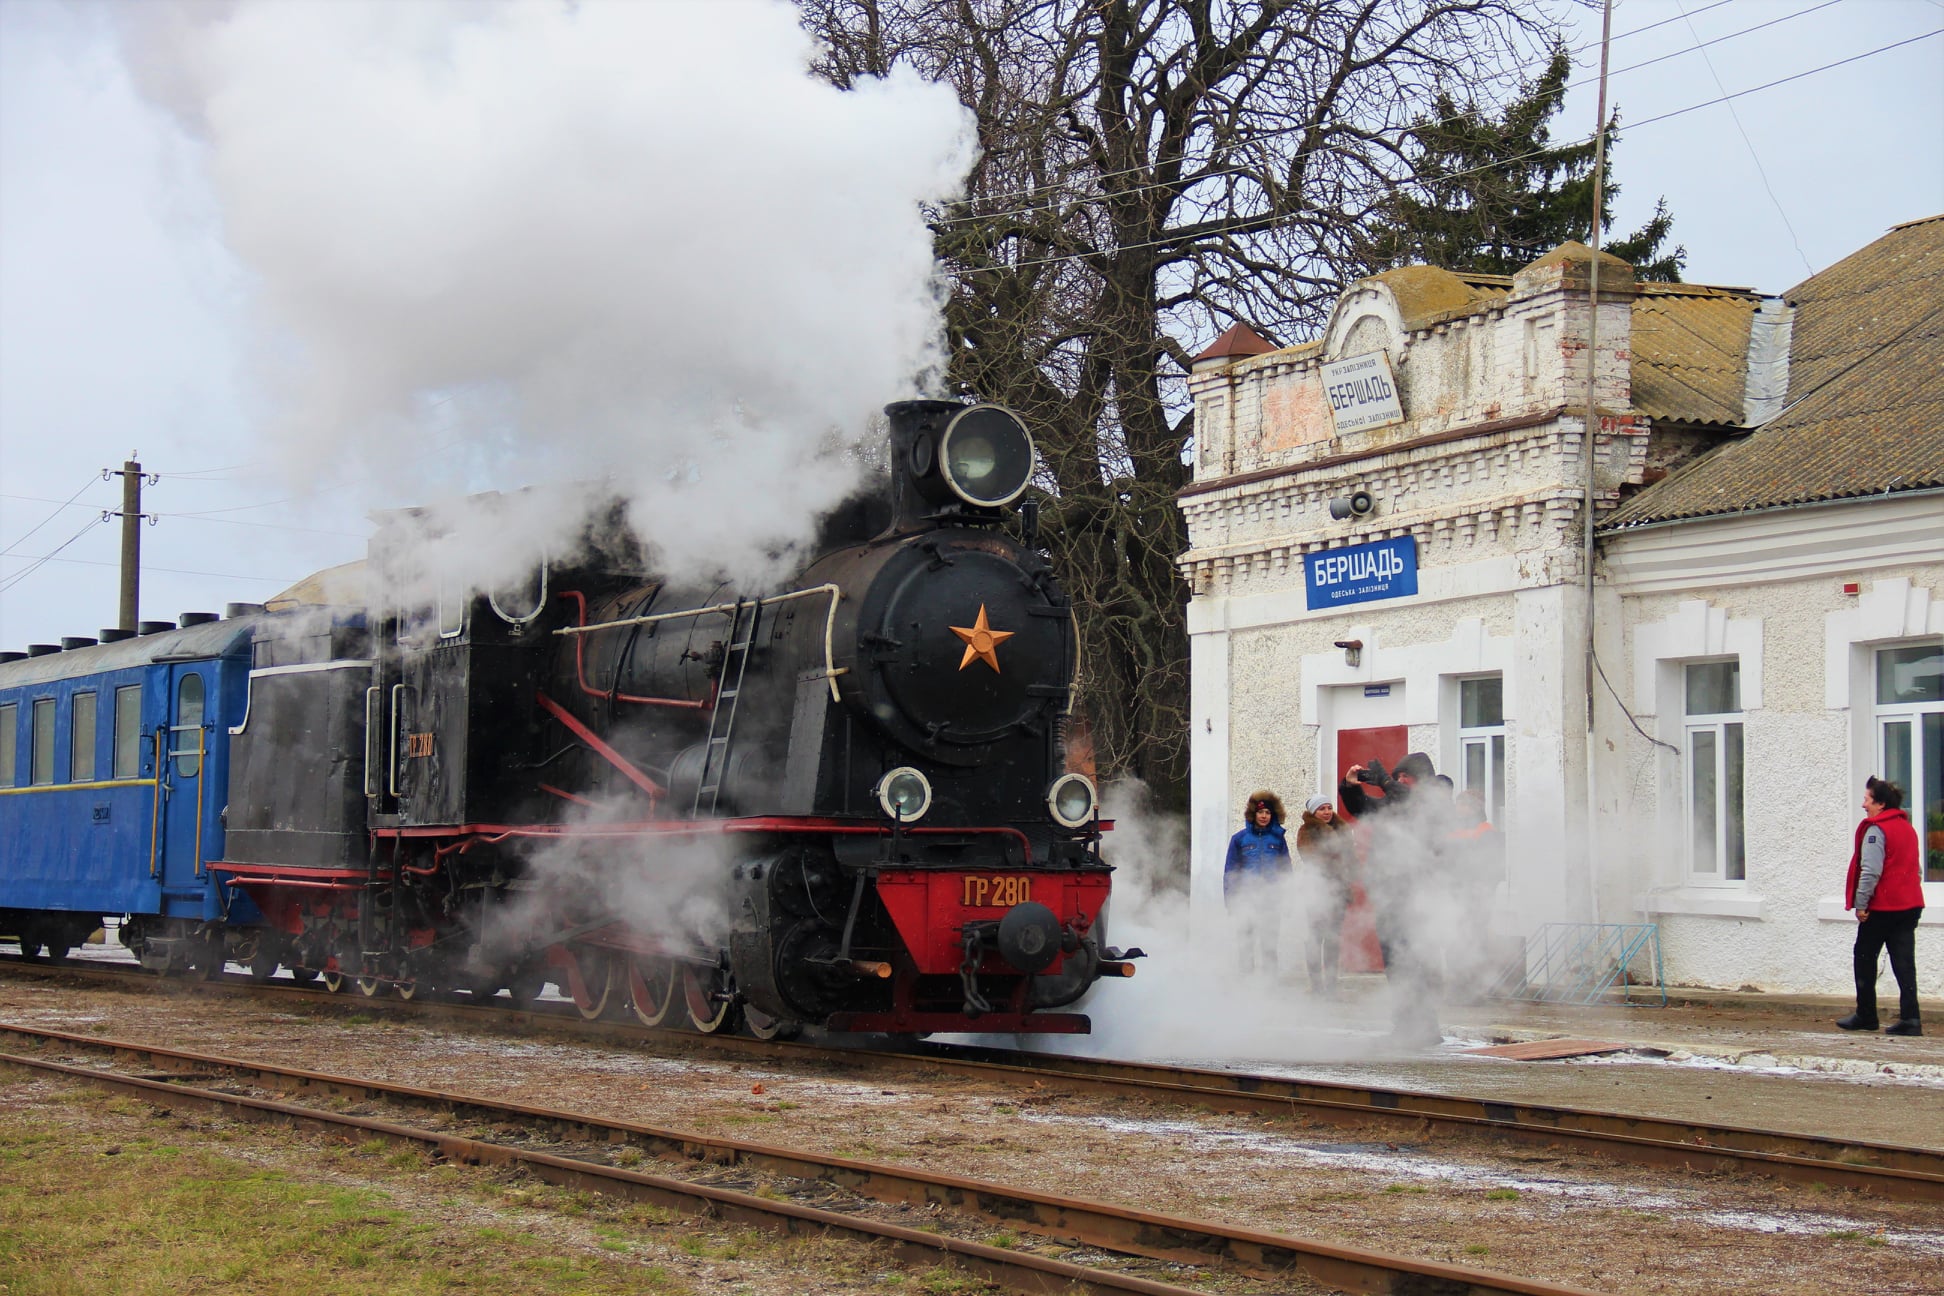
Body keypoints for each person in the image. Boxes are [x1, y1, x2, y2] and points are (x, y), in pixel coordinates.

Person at [1339, 752, 1444, 1046]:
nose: (1398, 782)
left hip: (1416, 896)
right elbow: (1363, 809)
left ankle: (1424, 1027)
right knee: (1397, 963)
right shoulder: (1395, 802)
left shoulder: (1430, 802)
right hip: (1389, 893)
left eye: (1402, 778)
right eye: (1395, 779)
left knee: (1412, 962)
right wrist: (1350, 787)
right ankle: (1408, 1024)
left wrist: (1386, 781)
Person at [1838, 776, 1925, 1036]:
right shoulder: (1907, 828)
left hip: (1883, 907)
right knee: (1904, 963)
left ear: (1881, 804)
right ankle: (1911, 1019)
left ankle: (1866, 1015)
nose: (1864, 805)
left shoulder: (1877, 830)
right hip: (1909, 905)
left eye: (1867, 800)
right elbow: (1916, 870)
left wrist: (1861, 904)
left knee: (1864, 956)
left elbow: (1870, 871)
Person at [1223, 790, 1292, 977]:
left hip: (1271, 901)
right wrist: (1231, 901)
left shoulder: (1278, 839)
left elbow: (1286, 870)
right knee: (1246, 944)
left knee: (1269, 946)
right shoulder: (1239, 839)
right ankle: (1246, 984)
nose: (1264, 816)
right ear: (1253, 814)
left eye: (1268, 813)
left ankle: (1269, 986)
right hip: (1246, 900)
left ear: (1273, 815)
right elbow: (1230, 871)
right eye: (1260, 812)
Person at [1295, 794, 1356, 996]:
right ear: (1314, 812)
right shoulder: (1307, 831)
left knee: (1332, 939)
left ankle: (1331, 985)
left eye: (1329, 807)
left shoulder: (1342, 830)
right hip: (1317, 892)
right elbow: (1310, 857)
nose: (1327, 811)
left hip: (1338, 892)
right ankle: (1315, 985)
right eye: (1322, 808)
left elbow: (1351, 858)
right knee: (1315, 938)